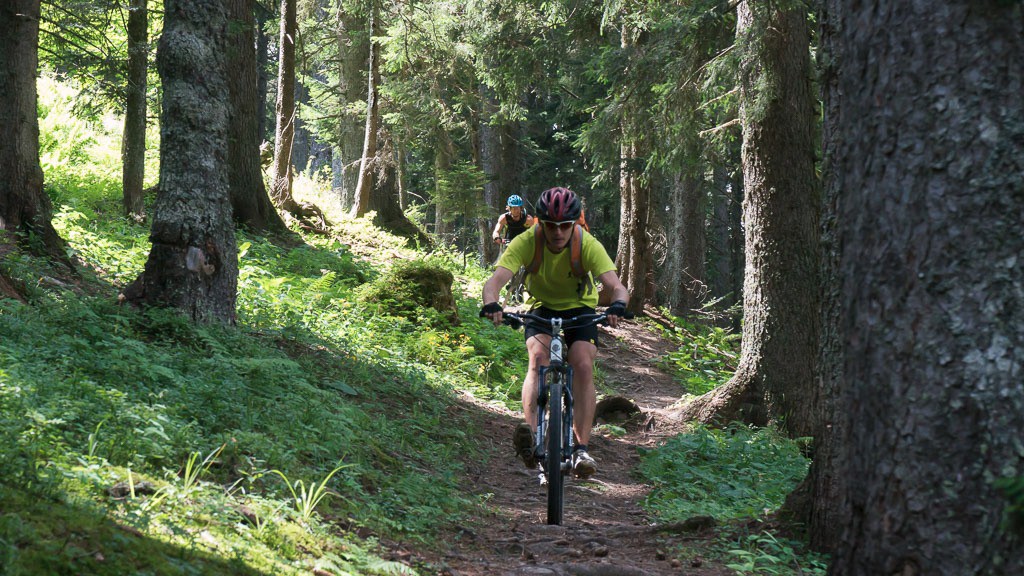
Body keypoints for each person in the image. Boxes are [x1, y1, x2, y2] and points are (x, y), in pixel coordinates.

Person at [480, 187, 629, 479]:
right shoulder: (527, 241)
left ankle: (581, 449)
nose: (558, 232)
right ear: (541, 224)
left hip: (581, 311)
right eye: (551, 226)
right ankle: (535, 437)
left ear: (574, 224)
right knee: (537, 359)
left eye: (564, 226)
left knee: (583, 364)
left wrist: (619, 304)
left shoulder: (586, 243)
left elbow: (615, 285)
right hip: (540, 309)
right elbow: (495, 281)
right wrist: (492, 304)